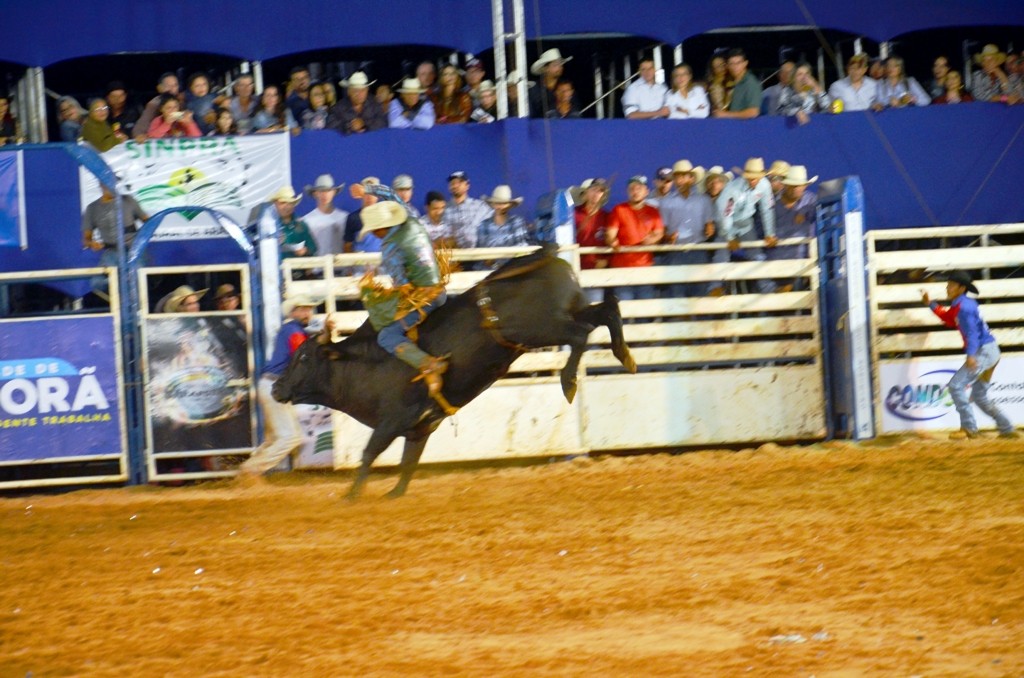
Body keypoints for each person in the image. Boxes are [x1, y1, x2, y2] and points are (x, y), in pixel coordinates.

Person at [353, 196, 449, 397]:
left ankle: (429, 365)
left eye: (373, 229)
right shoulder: (413, 222)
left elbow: (402, 285)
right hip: (440, 289)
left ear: (382, 228)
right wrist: (369, 190)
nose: (373, 233)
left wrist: (374, 293)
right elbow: (394, 198)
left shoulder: (389, 248)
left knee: (386, 336)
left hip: (426, 298)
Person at [921, 271, 1019, 440]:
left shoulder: (963, 307)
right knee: (979, 395)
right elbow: (949, 318)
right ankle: (1007, 428)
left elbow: (972, 333)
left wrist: (971, 355)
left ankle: (969, 428)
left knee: (956, 386)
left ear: (961, 288)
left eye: (951, 285)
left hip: (983, 351)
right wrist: (930, 304)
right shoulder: (963, 304)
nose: (947, 287)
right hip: (990, 351)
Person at [237, 297, 319, 478]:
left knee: (277, 437)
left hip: (273, 385)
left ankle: (249, 470)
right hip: (276, 386)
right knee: (290, 437)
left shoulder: (292, 330)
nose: (307, 313)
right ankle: (250, 471)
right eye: (302, 309)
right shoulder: (294, 331)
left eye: (309, 309)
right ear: (293, 312)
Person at [715, 158, 777, 293]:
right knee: (721, 254)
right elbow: (725, 214)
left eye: (756, 178)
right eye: (750, 178)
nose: (753, 180)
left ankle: (768, 289)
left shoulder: (765, 186)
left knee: (757, 255)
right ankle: (715, 287)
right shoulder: (732, 189)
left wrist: (770, 234)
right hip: (727, 222)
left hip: (746, 223)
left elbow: (767, 209)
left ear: (761, 177)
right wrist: (729, 236)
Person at [657, 160, 715, 296]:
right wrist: (668, 237)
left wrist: (710, 229)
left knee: (699, 293)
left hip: (698, 250)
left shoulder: (704, 200)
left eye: (684, 176)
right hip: (676, 251)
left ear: (692, 178)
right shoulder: (666, 202)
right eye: (677, 177)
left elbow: (709, 224)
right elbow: (663, 229)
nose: (680, 180)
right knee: (677, 292)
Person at [605, 175, 664, 300]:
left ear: (646, 191)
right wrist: (612, 241)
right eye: (632, 189)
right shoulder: (618, 210)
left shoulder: (653, 211)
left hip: (645, 266)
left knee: (646, 304)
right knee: (624, 306)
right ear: (627, 191)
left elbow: (659, 232)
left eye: (639, 188)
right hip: (622, 267)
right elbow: (610, 234)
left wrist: (652, 240)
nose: (635, 192)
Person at [82, 185, 150, 285]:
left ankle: (123, 283)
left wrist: (140, 240)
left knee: (135, 280)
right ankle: (119, 283)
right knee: (97, 283)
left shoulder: (128, 200)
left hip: (134, 251)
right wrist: (91, 243)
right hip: (111, 253)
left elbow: (148, 223)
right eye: (105, 183)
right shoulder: (92, 208)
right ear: (100, 185)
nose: (108, 187)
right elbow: (86, 239)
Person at [769, 165, 818, 291]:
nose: (797, 189)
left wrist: (805, 210)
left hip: (802, 261)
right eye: (793, 185)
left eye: (800, 185)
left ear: (805, 186)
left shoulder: (811, 201)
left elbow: (820, 210)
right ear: (786, 185)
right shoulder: (772, 203)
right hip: (776, 262)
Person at [475, 185, 533, 266]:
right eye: (497, 203)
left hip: (513, 269)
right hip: (488, 271)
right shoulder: (483, 225)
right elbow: (482, 251)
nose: (500, 206)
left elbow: (522, 246)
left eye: (504, 203)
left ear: (509, 205)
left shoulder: (517, 222)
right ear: (492, 204)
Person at [302, 174, 348, 256]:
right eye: (321, 191)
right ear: (315, 194)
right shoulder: (307, 220)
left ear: (333, 192)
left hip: (340, 266)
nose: (324, 195)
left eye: (328, 191)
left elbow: (349, 245)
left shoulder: (344, 217)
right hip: (317, 266)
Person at [445, 170, 491, 249]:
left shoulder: (480, 207)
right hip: (453, 257)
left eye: (459, 182)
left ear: (467, 185)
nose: (455, 185)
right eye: (452, 183)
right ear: (449, 187)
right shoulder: (443, 210)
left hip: (478, 256)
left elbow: (491, 227)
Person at [266, 186, 316, 258]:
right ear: (275, 204)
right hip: (276, 268)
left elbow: (312, 248)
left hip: (298, 267)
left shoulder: (302, 225)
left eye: (290, 203)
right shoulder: (268, 226)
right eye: (282, 203)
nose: (286, 206)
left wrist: (305, 251)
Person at [574, 178, 611, 276]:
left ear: (603, 196)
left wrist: (606, 260)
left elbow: (611, 240)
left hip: (597, 270)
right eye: (593, 189)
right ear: (586, 192)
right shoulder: (573, 214)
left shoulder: (607, 217)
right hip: (574, 267)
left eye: (600, 191)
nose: (596, 193)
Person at [713, 49, 761, 119]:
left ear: (745, 63)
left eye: (738, 63)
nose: (735, 66)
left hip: (745, 127)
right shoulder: (730, 82)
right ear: (728, 65)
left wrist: (726, 115)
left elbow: (753, 112)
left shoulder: (751, 83)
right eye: (731, 63)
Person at [135, 72, 182, 140]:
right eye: (168, 86)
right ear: (160, 88)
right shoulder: (154, 104)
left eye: (175, 85)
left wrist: (189, 123)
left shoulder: (182, 100)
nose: (172, 89)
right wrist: (139, 136)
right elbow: (141, 126)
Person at [529, 48, 573, 117]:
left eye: (560, 64)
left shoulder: (565, 87)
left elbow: (575, 108)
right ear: (545, 69)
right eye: (555, 65)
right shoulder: (534, 90)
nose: (560, 67)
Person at [343, 177, 382, 253]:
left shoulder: (386, 216)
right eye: (366, 192)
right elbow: (347, 246)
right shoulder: (353, 218)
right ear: (360, 195)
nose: (369, 196)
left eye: (373, 192)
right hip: (361, 263)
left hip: (383, 263)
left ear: (379, 195)